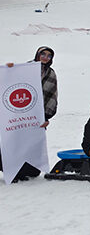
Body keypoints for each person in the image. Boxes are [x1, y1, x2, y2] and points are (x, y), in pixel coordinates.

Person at [1, 46, 58, 182]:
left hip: (36, 119)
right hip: (17, 117)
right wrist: (9, 69)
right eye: (43, 54)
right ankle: (9, 169)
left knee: (32, 159)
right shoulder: (25, 69)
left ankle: (22, 171)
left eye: (49, 55)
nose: (45, 57)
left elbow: (52, 97)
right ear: (37, 54)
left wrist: (46, 118)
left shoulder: (51, 74)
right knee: (13, 145)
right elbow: (10, 84)